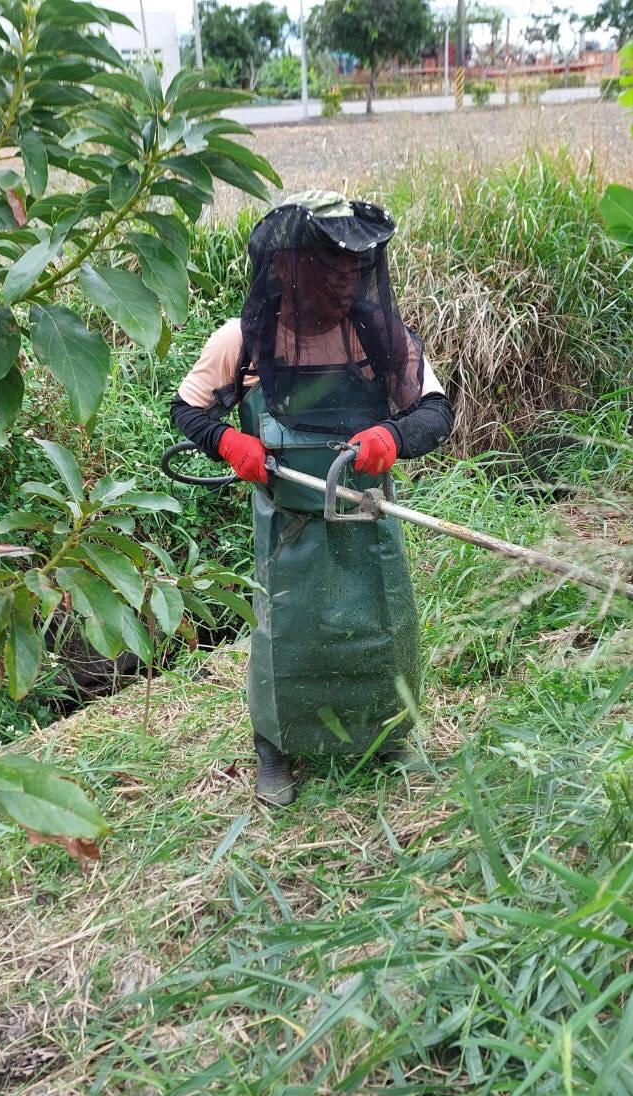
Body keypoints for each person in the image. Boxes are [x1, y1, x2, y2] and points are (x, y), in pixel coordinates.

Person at [170, 191, 454, 806]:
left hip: (367, 511)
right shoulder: (239, 342)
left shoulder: (380, 336)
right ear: (286, 266)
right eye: (331, 270)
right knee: (286, 632)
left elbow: (435, 412)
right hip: (288, 520)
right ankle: (275, 748)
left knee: (383, 622)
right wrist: (228, 444)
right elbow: (187, 411)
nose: (345, 284)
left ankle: (393, 736)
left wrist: (393, 436)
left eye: (354, 270)